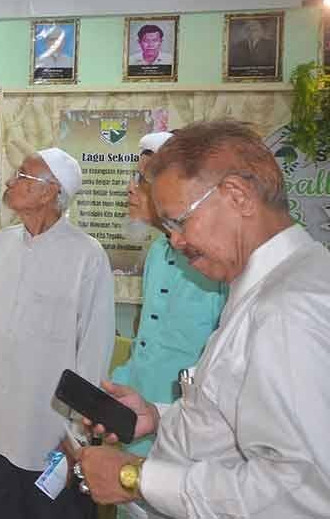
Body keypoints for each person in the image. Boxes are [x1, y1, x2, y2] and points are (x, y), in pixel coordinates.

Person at [77, 120, 330, 518]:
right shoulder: (264, 285)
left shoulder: (286, 311)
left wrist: (136, 477)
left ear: (237, 196)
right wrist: (157, 415)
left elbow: (302, 493)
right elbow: (237, 416)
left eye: (179, 221)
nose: (175, 240)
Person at [0, 148, 113, 519]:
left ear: (49, 191)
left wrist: (77, 428)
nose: (11, 182)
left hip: (48, 423)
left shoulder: (86, 256)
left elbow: (94, 348)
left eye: (22, 176)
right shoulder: (1, 245)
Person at [111, 131, 227, 519]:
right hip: (140, 429)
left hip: (195, 448)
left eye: (143, 179)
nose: (132, 188)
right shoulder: (158, 251)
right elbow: (147, 341)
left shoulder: (219, 262)